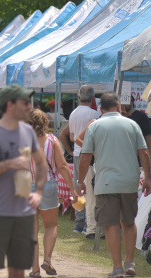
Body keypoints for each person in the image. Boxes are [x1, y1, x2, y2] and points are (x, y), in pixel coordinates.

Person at [0, 84, 47, 278]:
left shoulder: (28, 132)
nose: (30, 107)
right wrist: (9, 163)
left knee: (18, 270)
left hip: (23, 214)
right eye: (25, 103)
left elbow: (41, 164)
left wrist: (38, 192)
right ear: (11, 105)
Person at [78, 92, 151, 278]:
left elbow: (85, 156)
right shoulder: (132, 124)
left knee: (110, 225)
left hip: (105, 183)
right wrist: (149, 178)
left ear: (101, 109)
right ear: (119, 106)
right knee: (128, 222)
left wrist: (80, 182)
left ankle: (117, 267)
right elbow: (144, 154)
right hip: (129, 181)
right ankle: (130, 262)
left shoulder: (95, 126)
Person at [28, 110, 76, 277]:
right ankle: (47, 260)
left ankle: (34, 271)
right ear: (45, 123)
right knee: (50, 225)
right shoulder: (52, 140)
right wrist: (72, 189)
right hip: (48, 184)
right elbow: (62, 166)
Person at [58, 85, 100, 236]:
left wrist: (69, 151)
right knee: (90, 189)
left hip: (76, 153)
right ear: (93, 98)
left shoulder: (73, 113)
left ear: (79, 97)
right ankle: (89, 223)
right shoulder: (94, 113)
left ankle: (79, 222)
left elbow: (70, 137)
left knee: (78, 187)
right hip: (88, 154)